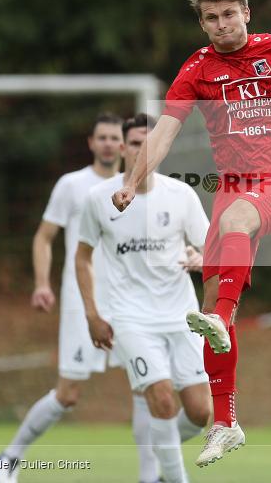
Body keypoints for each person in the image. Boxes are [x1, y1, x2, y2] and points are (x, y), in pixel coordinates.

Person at [111, 0, 271, 467]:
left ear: (246, 12)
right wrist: (133, 182)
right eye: (211, 19)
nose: (222, 25)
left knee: (233, 243)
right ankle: (225, 423)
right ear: (202, 24)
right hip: (232, 187)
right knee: (215, 306)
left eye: (229, 14)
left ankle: (221, 314)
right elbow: (164, 130)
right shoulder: (197, 69)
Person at [0, 113, 162, 482]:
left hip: (130, 303)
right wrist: (42, 283)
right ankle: (9, 458)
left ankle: (150, 477)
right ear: (92, 143)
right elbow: (44, 237)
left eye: (112, 137)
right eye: (100, 137)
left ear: (123, 144)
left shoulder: (143, 190)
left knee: (144, 386)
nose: (106, 143)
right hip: (81, 302)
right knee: (67, 394)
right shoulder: (72, 186)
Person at [78, 113, 212, 483]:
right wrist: (92, 314)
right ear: (123, 148)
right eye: (136, 143)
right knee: (163, 398)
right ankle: (171, 477)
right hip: (131, 318)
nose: (143, 150)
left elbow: (210, 250)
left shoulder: (181, 195)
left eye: (150, 143)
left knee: (200, 413)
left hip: (182, 316)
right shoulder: (98, 199)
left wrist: (201, 259)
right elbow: (82, 257)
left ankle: (162, 445)